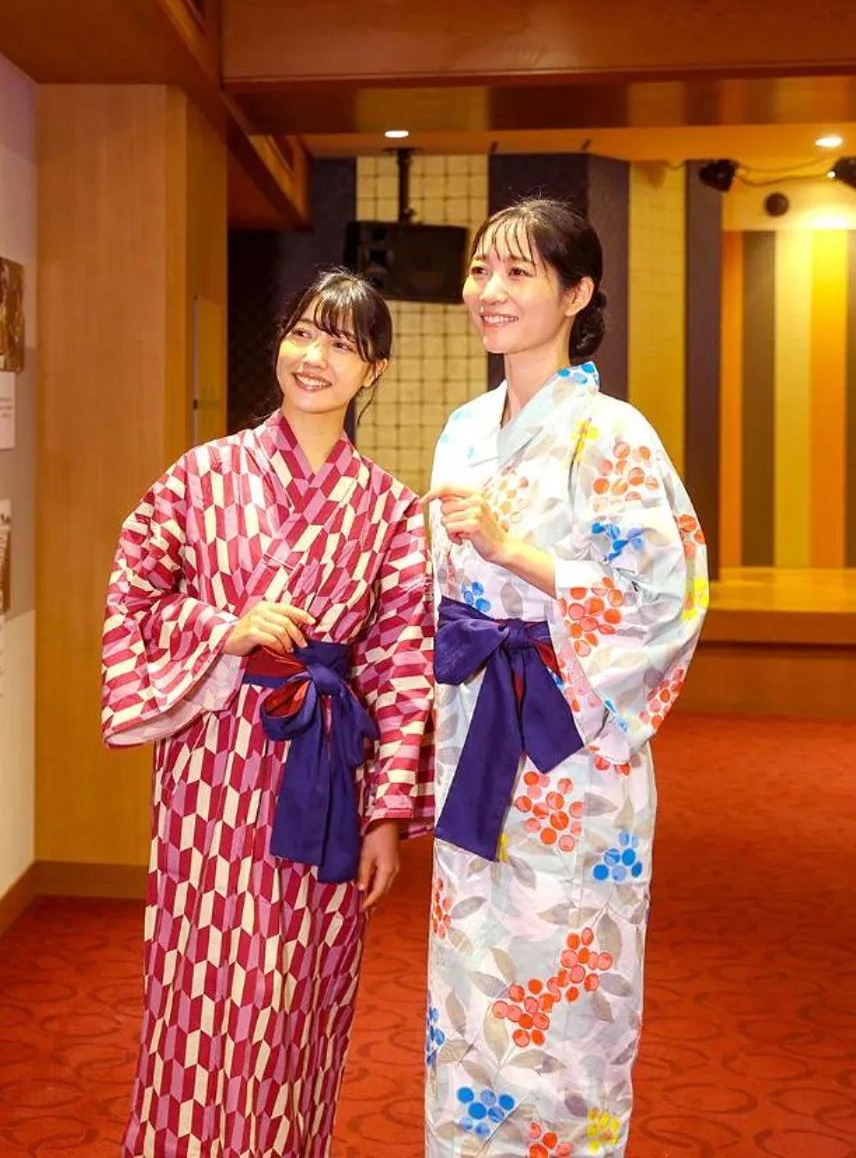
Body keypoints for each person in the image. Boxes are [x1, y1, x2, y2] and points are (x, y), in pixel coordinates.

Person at [101, 268, 436, 1158]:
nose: (313, 356)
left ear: (375, 372)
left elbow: (404, 665)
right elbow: (135, 595)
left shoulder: (393, 512)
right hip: (210, 774)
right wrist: (224, 629)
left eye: (341, 343)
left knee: (298, 997)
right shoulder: (200, 476)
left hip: (322, 778)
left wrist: (387, 816)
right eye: (302, 332)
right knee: (198, 988)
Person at [423, 199, 708, 1158]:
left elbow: (665, 598)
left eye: (518, 274)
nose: (489, 293)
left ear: (576, 294)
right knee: (472, 977)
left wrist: (518, 554)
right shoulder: (464, 428)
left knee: (569, 992)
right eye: (479, 271)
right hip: (476, 733)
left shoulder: (614, 432)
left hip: (573, 747)